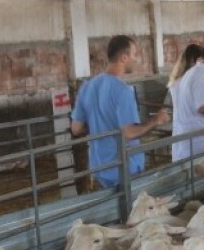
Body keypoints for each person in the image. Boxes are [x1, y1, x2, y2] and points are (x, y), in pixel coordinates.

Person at [70, 35, 169, 190]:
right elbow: (128, 133)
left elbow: (76, 128)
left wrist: (100, 126)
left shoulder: (87, 86)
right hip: (124, 169)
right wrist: (156, 120)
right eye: (134, 55)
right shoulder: (123, 91)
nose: (136, 59)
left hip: (99, 169)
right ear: (124, 58)